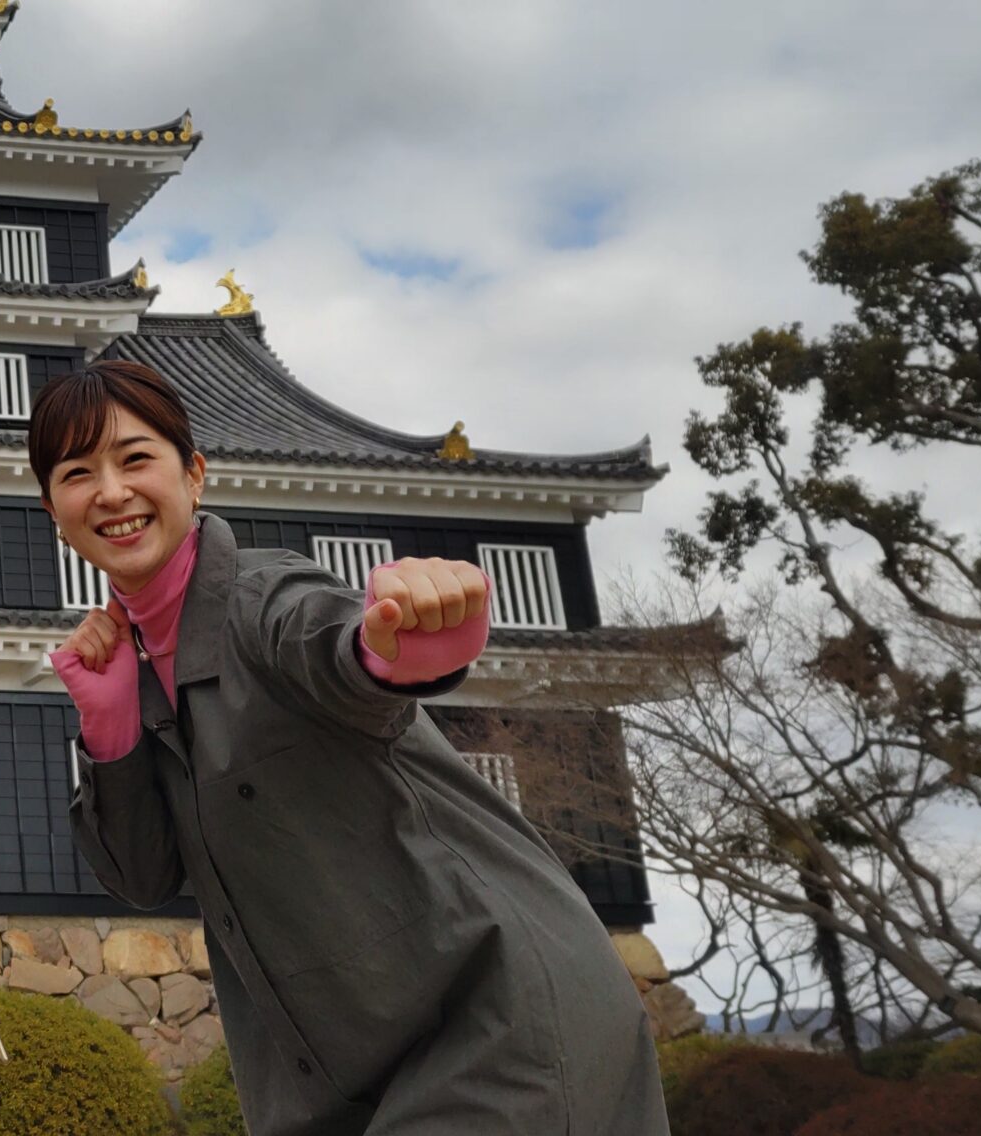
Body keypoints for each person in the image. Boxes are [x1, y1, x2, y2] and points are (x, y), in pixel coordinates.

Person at [39, 360, 665, 1134]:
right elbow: (142, 877)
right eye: (78, 473)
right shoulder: (131, 666)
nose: (110, 491)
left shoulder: (263, 598)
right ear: (51, 511)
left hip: (495, 1020)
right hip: (335, 1075)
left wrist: (400, 646)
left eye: (136, 459)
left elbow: (336, 648)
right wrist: (110, 731)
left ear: (194, 476)